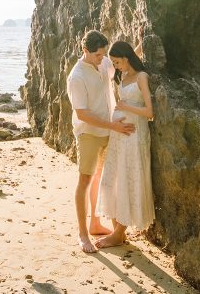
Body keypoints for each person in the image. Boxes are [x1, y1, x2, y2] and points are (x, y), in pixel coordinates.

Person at [67, 30, 136, 253]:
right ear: (84, 51)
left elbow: (119, 64)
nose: (103, 59)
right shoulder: (76, 77)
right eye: (97, 55)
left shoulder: (104, 62)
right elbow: (83, 114)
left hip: (108, 131)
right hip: (88, 134)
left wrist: (140, 47)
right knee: (85, 180)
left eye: (103, 54)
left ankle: (95, 223)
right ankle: (82, 234)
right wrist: (113, 126)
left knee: (101, 178)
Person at [95, 40, 155, 248]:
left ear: (126, 59)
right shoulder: (124, 75)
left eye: (117, 62)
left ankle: (118, 233)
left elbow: (149, 112)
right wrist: (139, 43)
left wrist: (126, 106)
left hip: (134, 137)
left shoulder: (141, 77)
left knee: (127, 181)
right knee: (112, 179)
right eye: (113, 62)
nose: (115, 66)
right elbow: (126, 56)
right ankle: (117, 232)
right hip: (119, 136)